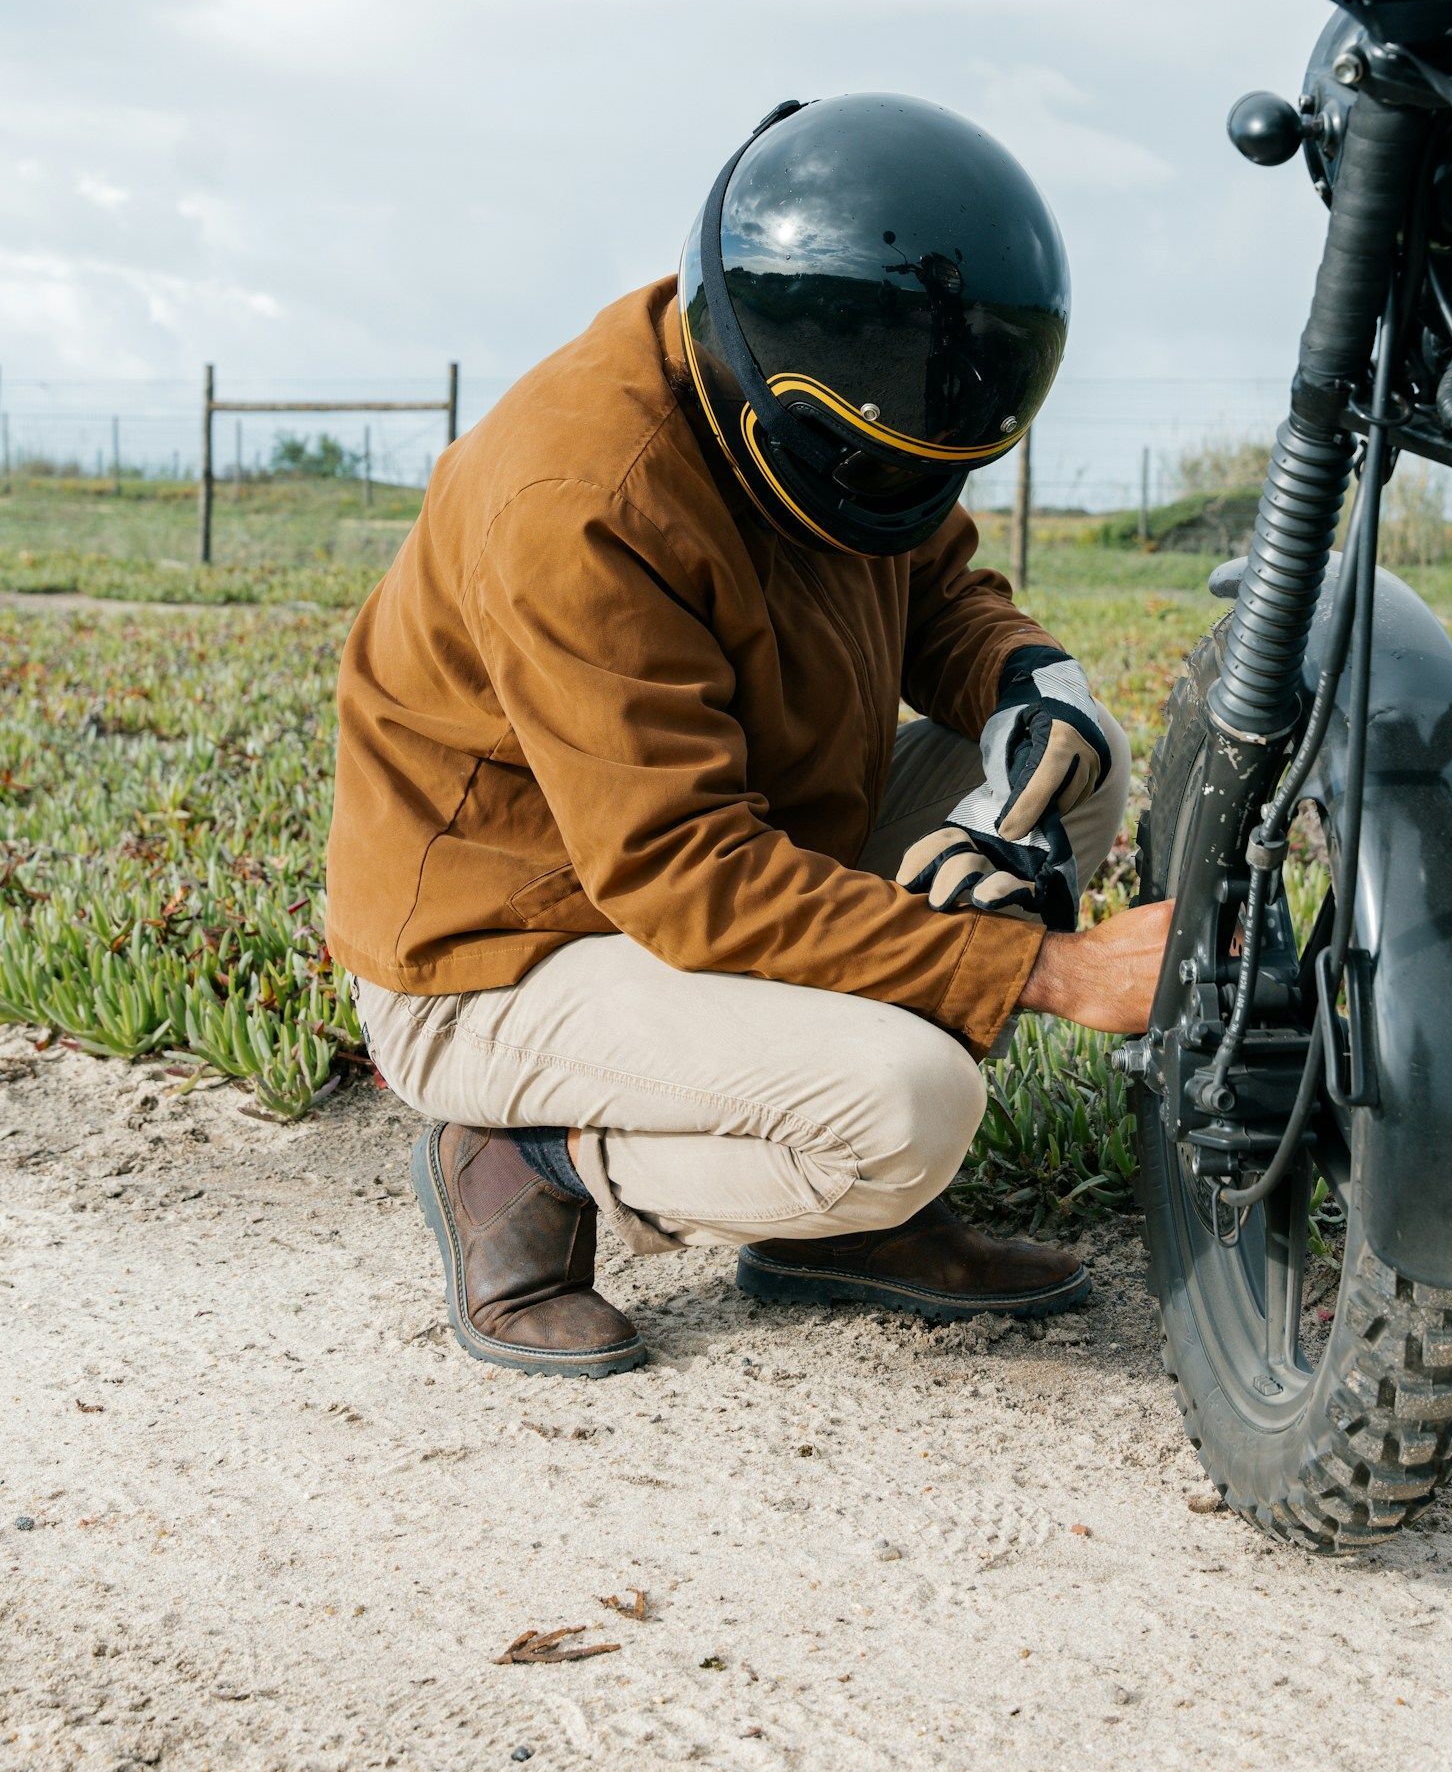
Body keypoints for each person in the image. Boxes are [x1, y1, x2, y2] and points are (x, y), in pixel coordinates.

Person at [325, 94, 1171, 1378]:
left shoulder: (831, 395)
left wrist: (1026, 675)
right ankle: (523, 1153)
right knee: (905, 1111)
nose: (912, 493)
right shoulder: (581, 503)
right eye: (885, 468)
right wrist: (1052, 969)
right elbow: (687, 874)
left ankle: (830, 1227)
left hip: (735, 842)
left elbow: (931, 580)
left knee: (1072, 766)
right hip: (511, 950)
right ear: (772, 405)